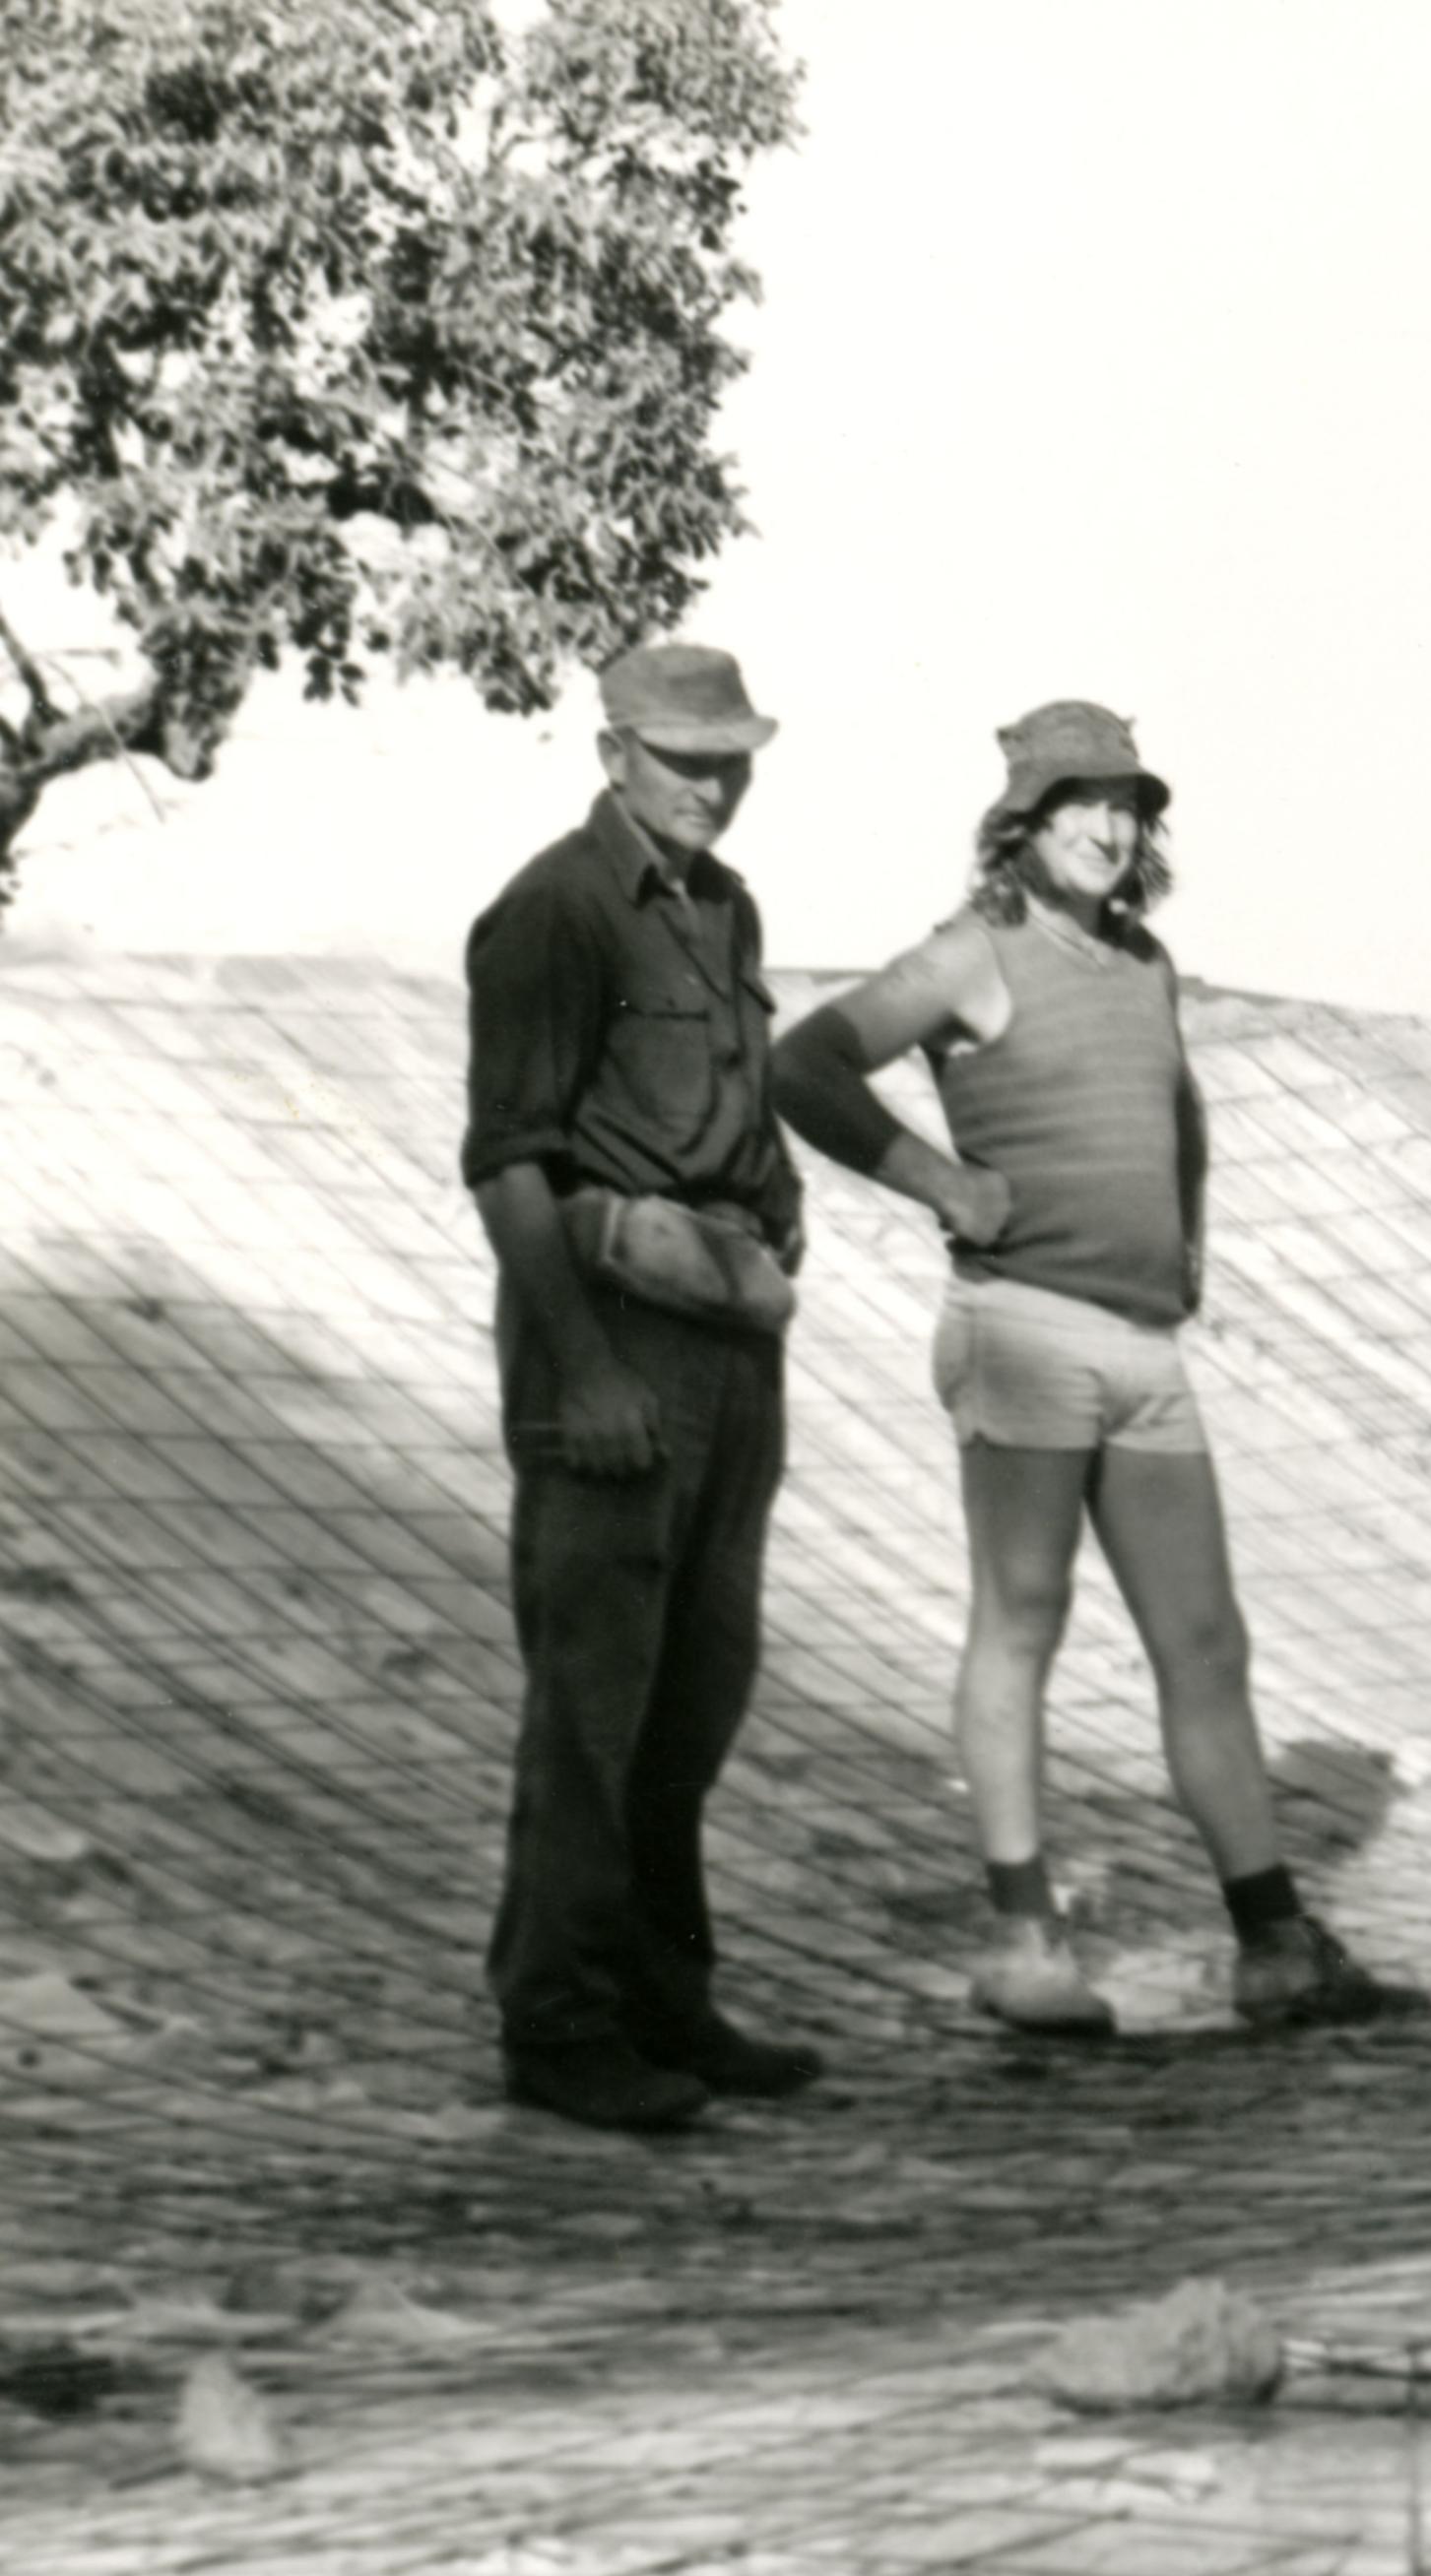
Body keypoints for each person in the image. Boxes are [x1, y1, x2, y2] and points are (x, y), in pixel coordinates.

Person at [768, 701, 1418, 2035]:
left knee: (1204, 1641)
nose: (1111, 827)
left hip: (1139, 1345)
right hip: (1021, 1331)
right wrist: (936, 1177)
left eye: (1130, 804)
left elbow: (1177, 1107)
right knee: (1023, 1619)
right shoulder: (976, 952)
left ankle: (1277, 1946)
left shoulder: (1147, 965)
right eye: (1081, 801)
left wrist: (1186, 1239)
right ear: (1023, 820)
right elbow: (805, 1063)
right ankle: (1025, 1945)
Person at [457, 640, 826, 2135]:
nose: (713, 784)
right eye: (684, 757)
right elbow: (511, 1163)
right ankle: (557, 2023)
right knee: (593, 1704)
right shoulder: (553, 911)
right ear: (613, 753)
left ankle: (666, 1996)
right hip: (609, 1327)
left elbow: (743, 1102)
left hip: (731, 1330)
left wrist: (779, 1195)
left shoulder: (724, 909)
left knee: (698, 1690)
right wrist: (588, 1366)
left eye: (731, 756)